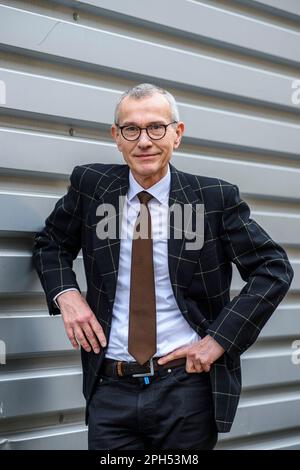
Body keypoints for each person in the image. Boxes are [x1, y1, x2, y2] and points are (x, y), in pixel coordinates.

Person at [32, 83, 293, 450]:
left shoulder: (214, 199)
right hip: (110, 389)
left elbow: (273, 268)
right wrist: (67, 294)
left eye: (156, 127)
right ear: (116, 137)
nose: (144, 141)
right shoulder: (91, 187)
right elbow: (51, 244)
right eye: (131, 129)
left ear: (177, 134)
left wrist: (218, 340)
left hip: (186, 390)